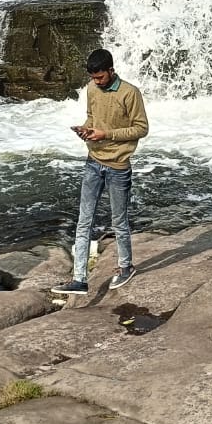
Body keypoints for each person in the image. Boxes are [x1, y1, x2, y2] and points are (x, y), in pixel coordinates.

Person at [52, 49, 149, 297]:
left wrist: (107, 134)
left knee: (119, 221)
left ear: (111, 70)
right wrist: (86, 130)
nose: (97, 81)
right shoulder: (92, 89)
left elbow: (141, 128)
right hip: (93, 162)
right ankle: (79, 280)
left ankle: (126, 267)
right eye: (93, 78)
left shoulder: (130, 93)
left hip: (118, 166)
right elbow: (92, 118)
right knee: (84, 220)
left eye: (100, 77)